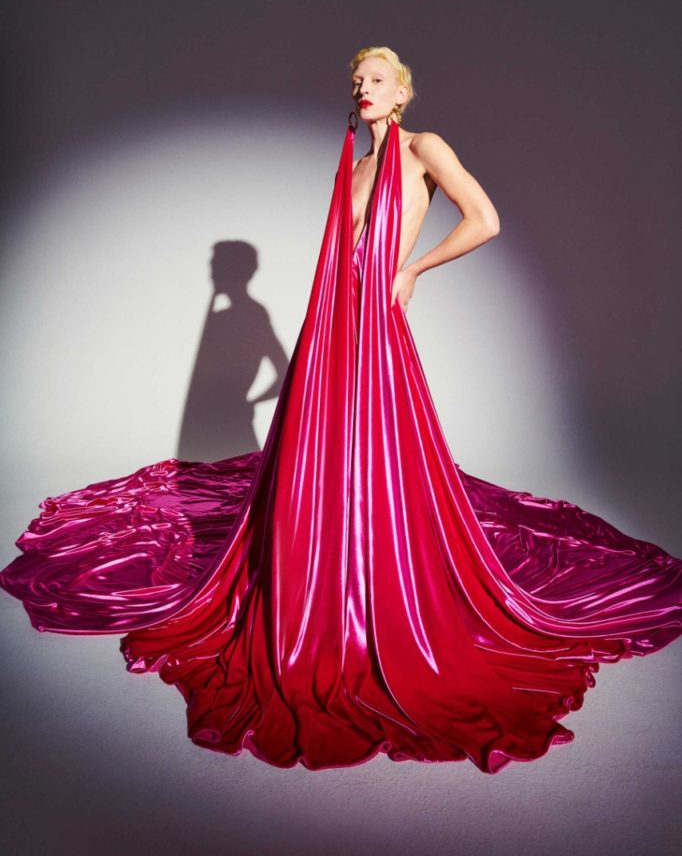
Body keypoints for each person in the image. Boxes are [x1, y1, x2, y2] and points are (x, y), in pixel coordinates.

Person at [1, 46, 680, 774]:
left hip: (374, 326)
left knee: (379, 453)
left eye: (377, 80)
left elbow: (484, 220)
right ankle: (320, 573)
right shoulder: (352, 164)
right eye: (357, 80)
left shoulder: (423, 148)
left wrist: (411, 270)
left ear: (402, 92)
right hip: (328, 327)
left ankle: (375, 583)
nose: (363, 89)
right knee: (318, 459)